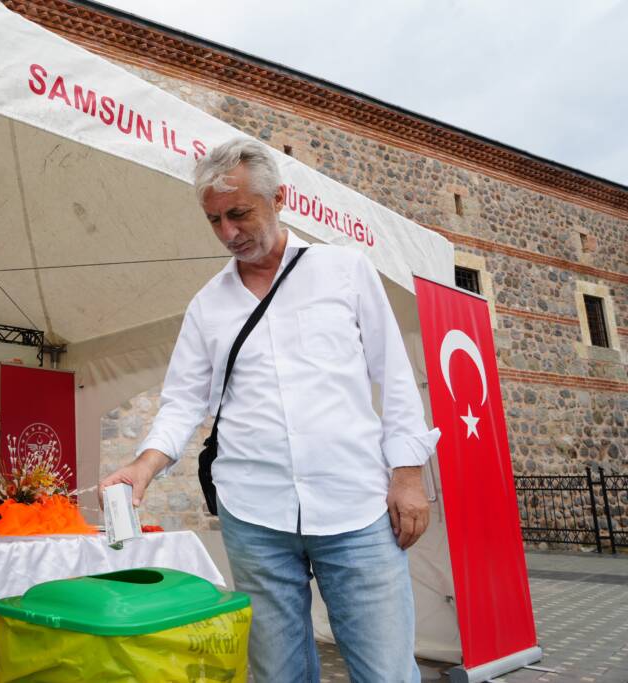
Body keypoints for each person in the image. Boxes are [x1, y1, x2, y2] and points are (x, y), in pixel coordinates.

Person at [100, 138, 439, 682]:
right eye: (214, 220)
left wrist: (407, 476)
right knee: (277, 674)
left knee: (386, 671)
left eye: (239, 213)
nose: (228, 233)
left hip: (356, 505)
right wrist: (144, 465)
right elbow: (183, 399)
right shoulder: (208, 304)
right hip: (255, 514)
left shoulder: (345, 271)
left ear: (278, 199)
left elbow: (395, 379)